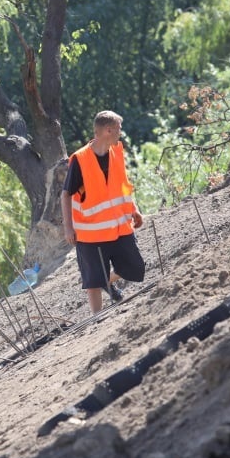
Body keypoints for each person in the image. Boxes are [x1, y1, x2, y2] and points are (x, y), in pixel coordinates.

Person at [60, 110, 145, 314]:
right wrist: (68, 228)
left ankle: (104, 281)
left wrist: (135, 209)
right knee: (92, 281)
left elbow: (122, 185)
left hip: (119, 226)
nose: (120, 133)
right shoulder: (80, 159)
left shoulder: (117, 151)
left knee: (135, 268)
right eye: (118, 129)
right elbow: (65, 195)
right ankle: (96, 319)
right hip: (90, 233)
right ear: (108, 130)